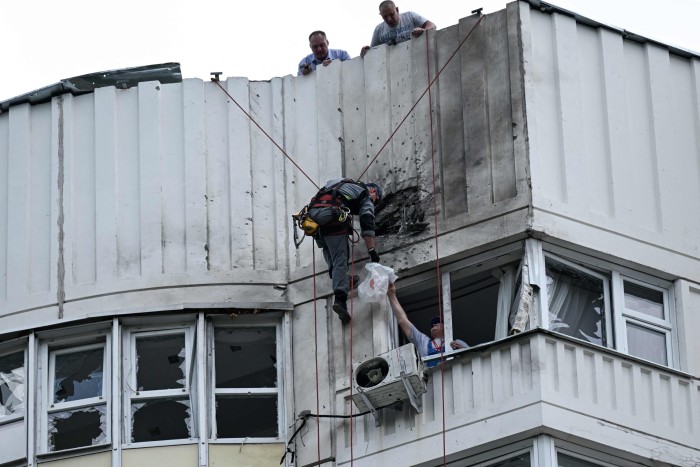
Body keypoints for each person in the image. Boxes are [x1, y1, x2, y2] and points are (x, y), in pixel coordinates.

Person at [307, 178, 382, 323]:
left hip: (313, 216)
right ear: (373, 191)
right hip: (331, 215)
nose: (373, 204)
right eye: (376, 201)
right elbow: (367, 221)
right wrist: (372, 250)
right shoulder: (365, 195)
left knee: (332, 253)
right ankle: (340, 300)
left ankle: (342, 279)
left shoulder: (340, 183)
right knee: (341, 257)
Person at [386, 282, 468, 367]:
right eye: (433, 324)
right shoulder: (424, 342)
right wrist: (391, 294)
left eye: (438, 322)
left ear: (446, 326)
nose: (434, 325)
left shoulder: (457, 342)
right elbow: (403, 320)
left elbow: (473, 359)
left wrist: (461, 351)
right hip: (431, 378)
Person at [360, 1, 436, 57]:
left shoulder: (410, 16)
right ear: (381, 15)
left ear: (397, 10)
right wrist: (366, 51)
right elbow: (373, 51)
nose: (389, 19)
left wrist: (424, 30)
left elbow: (432, 25)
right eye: (385, 17)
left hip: (416, 55)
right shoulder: (378, 29)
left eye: (391, 14)